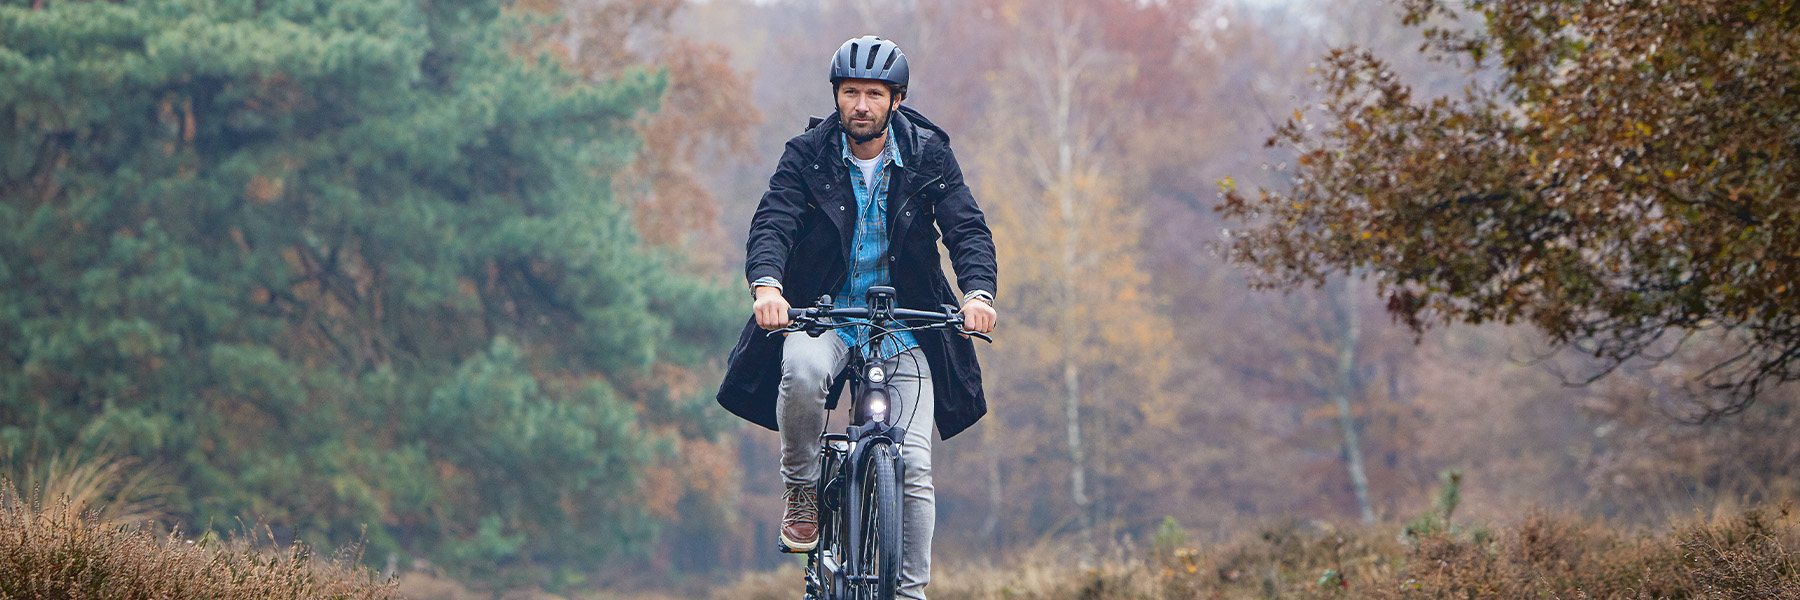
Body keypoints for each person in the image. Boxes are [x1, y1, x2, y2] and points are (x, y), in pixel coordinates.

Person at [715, 35, 997, 600]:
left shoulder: (929, 155)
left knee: (914, 466)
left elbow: (966, 229)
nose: (861, 105)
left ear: (897, 99)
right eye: (850, 92)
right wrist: (768, 287)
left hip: (904, 324)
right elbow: (773, 222)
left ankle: (910, 594)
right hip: (823, 314)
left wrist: (978, 294)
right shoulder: (806, 154)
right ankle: (801, 492)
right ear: (836, 96)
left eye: (873, 93)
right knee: (800, 372)